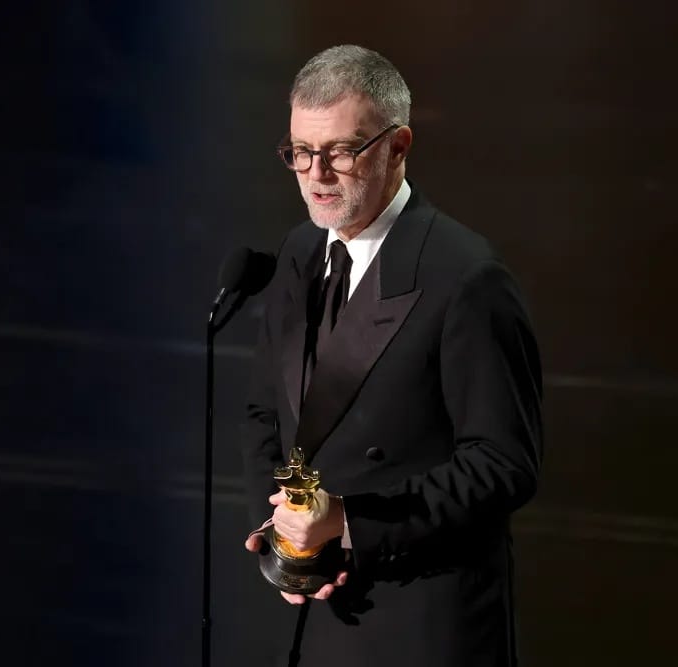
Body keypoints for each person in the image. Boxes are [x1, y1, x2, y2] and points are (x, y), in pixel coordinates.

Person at [242, 44, 543, 667]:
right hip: (315, 610)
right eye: (301, 152)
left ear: (398, 146)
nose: (317, 175)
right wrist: (285, 534)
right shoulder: (300, 251)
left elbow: (503, 463)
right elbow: (265, 412)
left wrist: (350, 523)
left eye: (341, 152)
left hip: (418, 621)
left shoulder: (465, 278)